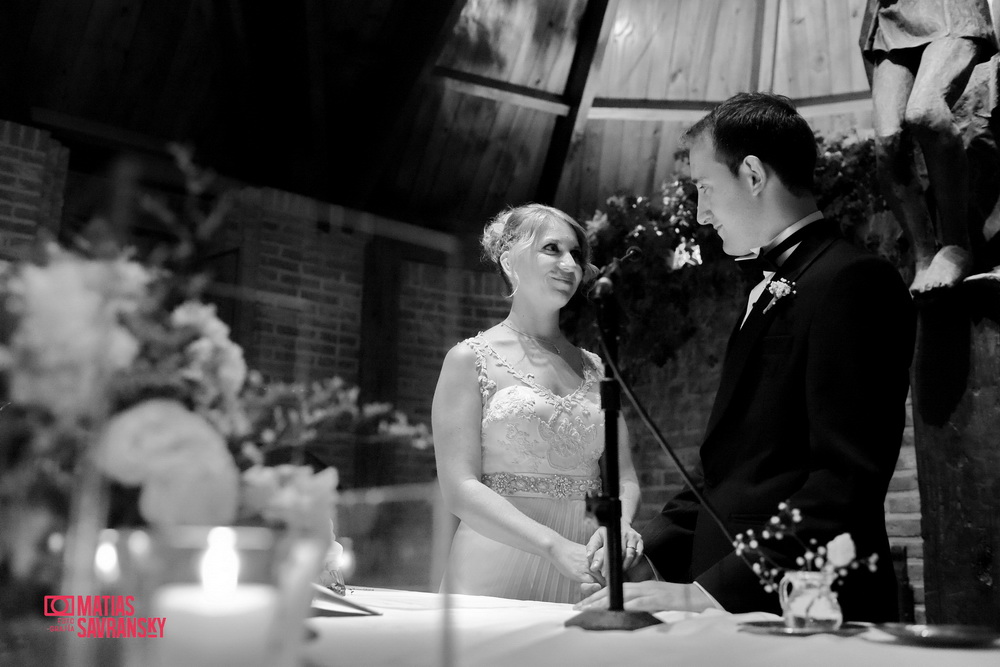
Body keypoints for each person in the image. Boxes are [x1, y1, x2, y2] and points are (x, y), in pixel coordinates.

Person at [576, 93, 916, 621]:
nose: (701, 213)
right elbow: (733, 475)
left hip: (809, 607)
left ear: (753, 174)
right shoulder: (770, 287)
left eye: (705, 188)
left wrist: (712, 592)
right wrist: (644, 546)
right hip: (739, 609)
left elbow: (842, 484)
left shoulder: (853, 281)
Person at [431, 203, 642, 604]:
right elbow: (459, 487)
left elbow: (624, 477)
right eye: (552, 249)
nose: (570, 264)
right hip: (497, 560)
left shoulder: (597, 367)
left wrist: (618, 524)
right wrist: (551, 545)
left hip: (585, 564)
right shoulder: (469, 359)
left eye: (576, 255)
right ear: (510, 261)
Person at [861, 0, 997, 294]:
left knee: (925, 112)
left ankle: (956, 245)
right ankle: (924, 255)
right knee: (888, 141)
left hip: (951, 11)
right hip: (891, 16)